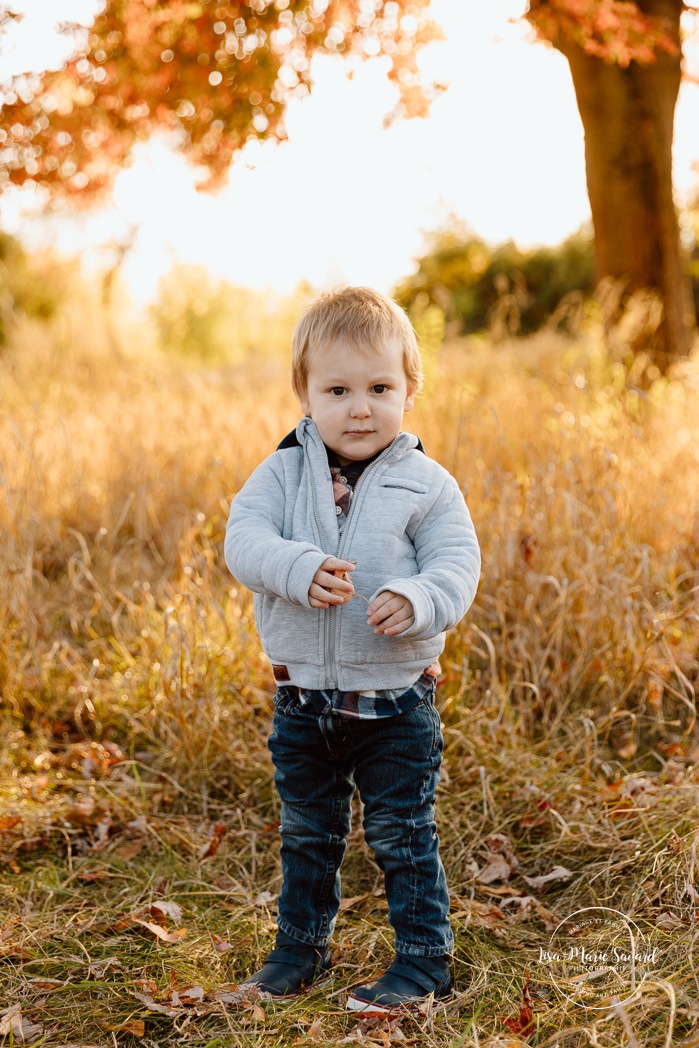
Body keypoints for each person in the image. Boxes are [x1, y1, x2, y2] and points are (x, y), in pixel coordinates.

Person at [224, 286, 480, 1013]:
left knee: (402, 834)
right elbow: (243, 544)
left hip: (397, 701)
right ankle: (298, 949)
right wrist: (297, 568)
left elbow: (456, 564)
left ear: (408, 390)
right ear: (304, 394)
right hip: (302, 699)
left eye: (378, 388)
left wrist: (422, 599)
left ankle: (424, 961)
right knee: (307, 834)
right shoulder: (278, 474)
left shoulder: (426, 485)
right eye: (337, 389)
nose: (359, 407)